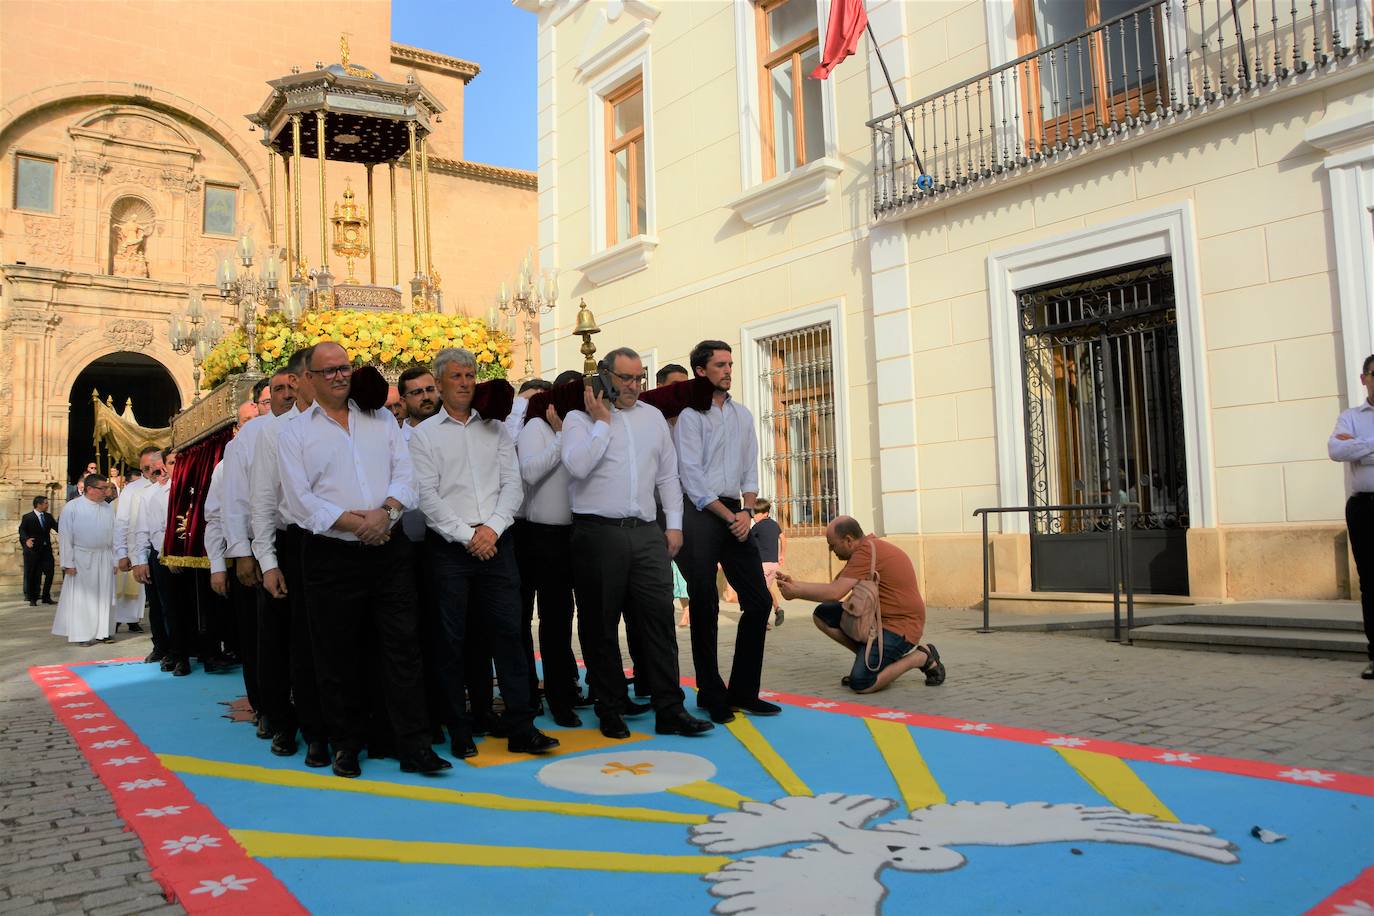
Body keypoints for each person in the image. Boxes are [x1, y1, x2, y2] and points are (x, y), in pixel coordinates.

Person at [278, 341, 450, 778]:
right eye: (329, 370)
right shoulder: (294, 433)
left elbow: (405, 475)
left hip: (388, 550)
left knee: (402, 647)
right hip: (330, 555)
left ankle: (412, 744)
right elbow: (300, 502)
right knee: (337, 653)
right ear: (310, 379)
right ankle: (345, 744)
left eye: (346, 368)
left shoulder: (381, 422)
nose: (340, 375)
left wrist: (386, 513)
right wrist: (356, 525)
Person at [410, 348, 559, 759]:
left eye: (470, 375)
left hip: (498, 542)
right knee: (451, 640)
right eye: (455, 376)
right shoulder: (423, 436)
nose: (464, 382)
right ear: (438, 384)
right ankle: (459, 728)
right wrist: (467, 535)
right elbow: (427, 497)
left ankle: (521, 726)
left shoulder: (495, 430)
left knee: (510, 634)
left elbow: (513, 484)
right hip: (450, 548)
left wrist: (492, 528)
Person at [562, 346, 713, 740]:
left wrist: (675, 525)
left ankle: (670, 709)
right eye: (626, 378)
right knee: (600, 625)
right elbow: (577, 467)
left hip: (647, 532)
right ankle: (609, 707)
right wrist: (601, 422)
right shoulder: (579, 419)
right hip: (597, 533)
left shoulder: (651, 418)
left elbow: (667, 475)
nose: (633, 386)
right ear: (606, 376)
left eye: (639, 378)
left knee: (659, 623)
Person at [673, 340, 776, 724]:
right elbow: (692, 477)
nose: (728, 370)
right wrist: (728, 515)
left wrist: (747, 511)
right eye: (720, 364)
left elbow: (750, 469)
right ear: (701, 370)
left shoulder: (743, 415)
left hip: (737, 511)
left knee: (759, 601)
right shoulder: (689, 416)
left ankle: (744, 692)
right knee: (705, 603)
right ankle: (710, 693)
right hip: (700, 512)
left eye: (731, 363)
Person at [252, 347, 331, 767]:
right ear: (304, 380)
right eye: (322, 373)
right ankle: (284, 721)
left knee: (322, 640)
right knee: (284, 640)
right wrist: (267, 561)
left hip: (333, 541)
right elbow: (262, 501)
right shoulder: (274, 431)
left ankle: (324, 725)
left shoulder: (345, 422)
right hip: (291, 542)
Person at [776, 516, 945, 693]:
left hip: (902, 628)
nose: (831, 550)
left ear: (848, 540)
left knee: (862, 683)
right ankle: (874, 660)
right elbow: (834, 587)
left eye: (832, 545)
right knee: (823, 614)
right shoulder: (866, 548)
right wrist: (794, 584)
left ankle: (921, 657)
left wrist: (796, 593)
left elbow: (834, 593)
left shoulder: (866, 552)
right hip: (878, 621)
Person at [397, 364, 463, 744]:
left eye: (428, 390)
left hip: (450, 543)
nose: (425, 397)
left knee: (449, 633)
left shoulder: (453, 431)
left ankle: (454, 708)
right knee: (414, 634)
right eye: (416, 392)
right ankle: (423, 713)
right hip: (411, 548)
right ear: (404, 401)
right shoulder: (397, 439)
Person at [515, 369, 583, 727]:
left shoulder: (582, 424)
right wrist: (559, 438)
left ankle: (565, 689)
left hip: (576, 533)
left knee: (564, 617)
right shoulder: (535, 428)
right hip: (537, 534)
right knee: (534, 618)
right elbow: (529, 472)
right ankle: (534, 692)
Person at [1327, 353, 1374, 680]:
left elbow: (1350, 450)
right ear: (1363, 379)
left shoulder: (1354, 429)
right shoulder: (1351, 416)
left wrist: (1359, 447)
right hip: (1364, 508)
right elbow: (1335, 450)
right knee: (1370, 584)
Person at [132, 455, 192, 676]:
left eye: (165, 468)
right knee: (170, 608)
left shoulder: (190, 488)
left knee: (190, 606)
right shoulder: (151, 495)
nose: (162, 474)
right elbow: (144, 530)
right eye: (155, 472)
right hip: (163, 557)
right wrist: (140, 559)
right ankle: (177, 654)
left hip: (191, 555)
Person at [51, 474, 117, 646]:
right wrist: (68, 562)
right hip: (81, 558)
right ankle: (83, 634)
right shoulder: (72, 507)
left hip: (105, 556)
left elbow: (115, 534)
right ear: (89, 489)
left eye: (106, 488)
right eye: (102, 488)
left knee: (104, 596)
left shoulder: (108, 508)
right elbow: (65, 536)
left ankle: (104, 632)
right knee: (83, 598)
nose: (106, 492)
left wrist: (116, 560)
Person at [116, 447, 166, 657]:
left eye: (152, 467)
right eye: (144, 468)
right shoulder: (133, 489)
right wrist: (123, 553)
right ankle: (160, 645)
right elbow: (123, 522)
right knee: (155, 602)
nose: (148, 472)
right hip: (145, 552)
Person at [749, 497, 786, 629]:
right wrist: (782, 555)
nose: (754, 517)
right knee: (766, 590)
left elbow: (748, 542)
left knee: (761, 592)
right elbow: (783, 538)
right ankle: (775, 611)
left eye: (756, 514)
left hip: (763, 565)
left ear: (765, 513)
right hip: (774, 565)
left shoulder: (757, 527)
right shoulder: (775, 525)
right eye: (753, 514)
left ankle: (773, 612)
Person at [19, 495, 57, 607]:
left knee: (50, 573)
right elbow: (22, 530)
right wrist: (26, 540)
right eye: (45, 503)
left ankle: (46, 597)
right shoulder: (28, 517)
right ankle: (33, 598)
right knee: (34, 575)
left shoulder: (48, 517)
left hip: (46, 551)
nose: (47, 505)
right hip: (33, 551)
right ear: (39, 504)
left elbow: (58, 528)